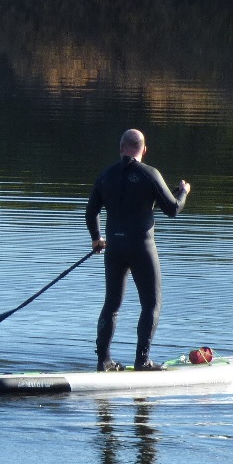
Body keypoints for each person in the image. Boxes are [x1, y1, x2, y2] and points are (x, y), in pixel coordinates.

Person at [85, 129, 190, 372]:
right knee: (151, 304)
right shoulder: (150, 174)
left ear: (121, 148)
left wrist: (96, 238)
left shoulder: (106, 175)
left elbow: (91, 212)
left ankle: (103, 361)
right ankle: (142, 360)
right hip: (142, 248)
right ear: (144, 149)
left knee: (111, 305)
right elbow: (173, 209)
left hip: (114, 248)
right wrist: (183, 192)